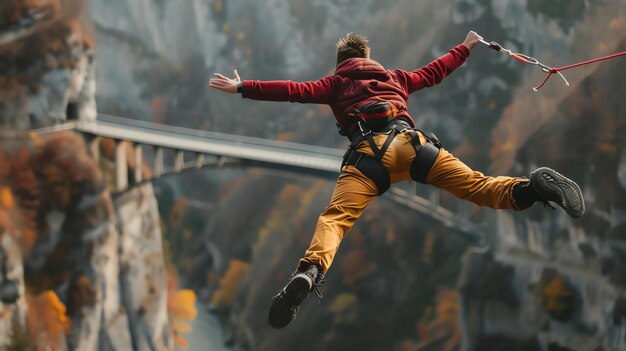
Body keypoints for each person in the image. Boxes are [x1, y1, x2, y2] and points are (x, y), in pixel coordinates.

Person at [208, 31, 585, 329]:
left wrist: (242, 87)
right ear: (368, 59)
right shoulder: (395, 77)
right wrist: (467, 45)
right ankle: (532, 188)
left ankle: (310, 270)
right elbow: (435, 71)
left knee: (335, 220)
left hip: (369, 157)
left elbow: (292, 92)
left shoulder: (335, 84)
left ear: (341, 64)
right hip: (414, 146)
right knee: (479, 186)